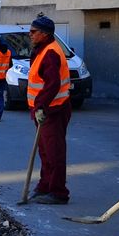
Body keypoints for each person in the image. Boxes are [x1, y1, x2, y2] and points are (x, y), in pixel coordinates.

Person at [27, 15, 71, 204]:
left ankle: (58, 191)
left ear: (45, 34)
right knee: (44, 151)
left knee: (54, 152)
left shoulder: (51, 53)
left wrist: (41, 106)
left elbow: (53, 85)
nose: (30, 35)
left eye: (33, 32)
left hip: (52, 110)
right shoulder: (42, 49)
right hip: (45, 110)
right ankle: (45, 185)